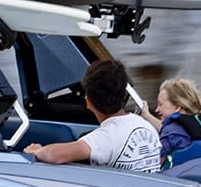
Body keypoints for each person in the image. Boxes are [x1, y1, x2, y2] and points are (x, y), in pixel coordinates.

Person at [25, 59, 163, 171]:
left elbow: (54, 155)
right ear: (124, 95)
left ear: (88, 102)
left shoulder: (104, 138)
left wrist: (37, 150)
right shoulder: (145, 126)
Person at [142, 76, 201, 168]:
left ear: (177, 107)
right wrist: (146, 115)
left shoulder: (171, 133)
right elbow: (174, 133)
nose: (157, 110)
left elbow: (153, 165)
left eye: (161, 104)